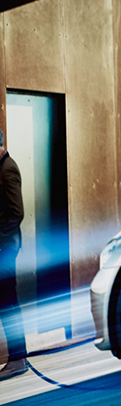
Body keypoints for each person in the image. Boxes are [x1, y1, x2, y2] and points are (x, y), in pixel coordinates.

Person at [0, 128, 27, 381]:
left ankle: (18, 359)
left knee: (8, 303)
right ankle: (18, 358)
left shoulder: (8, 168)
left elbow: (17, 212)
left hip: (5, 248)